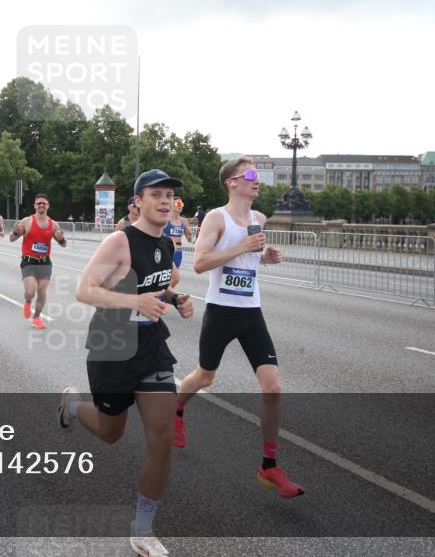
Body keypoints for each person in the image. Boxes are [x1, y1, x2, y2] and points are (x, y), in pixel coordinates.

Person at [58, 168, 194, 556]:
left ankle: (143, 527)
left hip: (151, 349)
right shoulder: (120, 241)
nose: (165, 201)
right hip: (112, 348)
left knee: (163, 436)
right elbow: (86, 290)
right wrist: (135, 302)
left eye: (169, 195)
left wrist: (173, 299)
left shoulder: (166, 244)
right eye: (156, 194)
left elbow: (161, 283)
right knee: (110, 431)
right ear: (137, 202)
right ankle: (71, 404)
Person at [174, 156, 304, 499]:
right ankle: (176, 409)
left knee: (273, 387)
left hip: (251, 312)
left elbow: (251, 256)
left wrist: (265, 255)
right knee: (204, 377)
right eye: (249, 174)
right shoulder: (217, 218)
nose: (256, 180)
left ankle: (269, 465)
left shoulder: (259, 219)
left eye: (257, 175)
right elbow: (200, 263)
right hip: (221, 310)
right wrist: (241, 248)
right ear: (231, 182)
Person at [10, 194, 67, 329]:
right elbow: (12, 238)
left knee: (42, 291)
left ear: (48, 206)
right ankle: (28, 301)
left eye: (44, 203)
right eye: (39, 203)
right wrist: (15, 231)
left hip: (45, 262)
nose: (41, 205)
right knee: (30, 292)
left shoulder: (53, 224)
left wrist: (61, 238)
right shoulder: (26, 221)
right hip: (29, 261)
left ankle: (36, 318)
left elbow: (63, 244)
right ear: (35, 205)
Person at [164, 197, 194, 288]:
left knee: (174, 277)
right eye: (178, 204)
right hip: (166, 250)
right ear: (172, 205)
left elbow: (190, 240)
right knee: (165, 275)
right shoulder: (165, 218)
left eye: (182, 204)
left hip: (178, 252)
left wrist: (190, 235)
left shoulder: (184, 221)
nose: (180, 206)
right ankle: (161, 293)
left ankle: (167, 294)